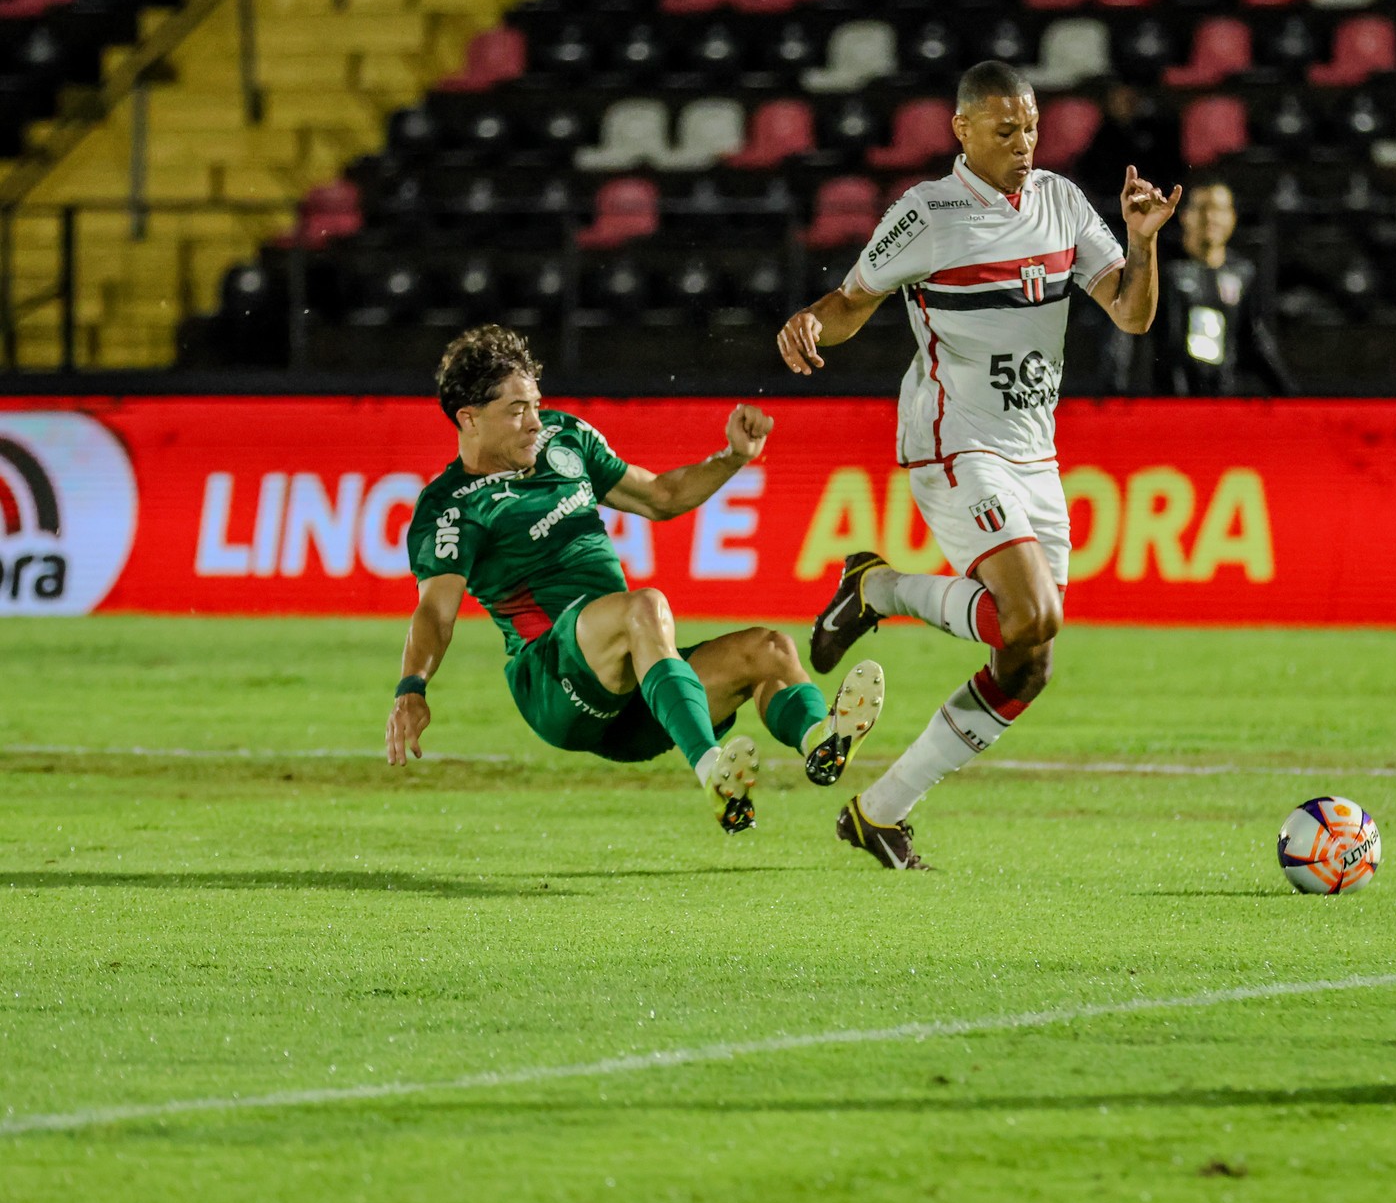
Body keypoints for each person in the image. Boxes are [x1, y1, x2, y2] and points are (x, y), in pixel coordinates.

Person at [773, 60, 1180, 869]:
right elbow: (853, 301)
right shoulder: (927, 213)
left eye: (1031, 127)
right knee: (1030, 613)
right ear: (962, 131)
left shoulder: (1062, 201)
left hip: (1036, 452)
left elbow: (1131, 314)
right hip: (954, 441)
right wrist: (808, 324)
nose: (1024, 143)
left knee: (1029, 659)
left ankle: (880, 810)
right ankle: (879, 589)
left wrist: (1141, 243)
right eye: (1006, 129)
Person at [385, 325, 886, 834]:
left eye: (535, 404)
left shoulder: (566, 440)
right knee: (642, 607)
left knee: (770, 650)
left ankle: (819, 740)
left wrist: (733, 457)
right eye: (516, 411)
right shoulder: (451, 506)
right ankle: (713, 770)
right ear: (468, 418)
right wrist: (412, 685)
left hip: (631, 697)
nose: (535, 422)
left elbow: (660, 496)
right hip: (554, 683)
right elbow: (435, 611)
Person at [1108, 177, 1295, 396]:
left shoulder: (1243, 273)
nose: (1211, 218)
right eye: (1203, 208)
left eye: (1219, 209)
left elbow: (1254, 338)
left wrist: (1288, 394)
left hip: (1223, 400)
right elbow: (1127, 330)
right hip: (1168, 401)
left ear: (1232, 217)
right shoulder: (1162, 271)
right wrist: (1115, 390)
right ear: (1185, 215)